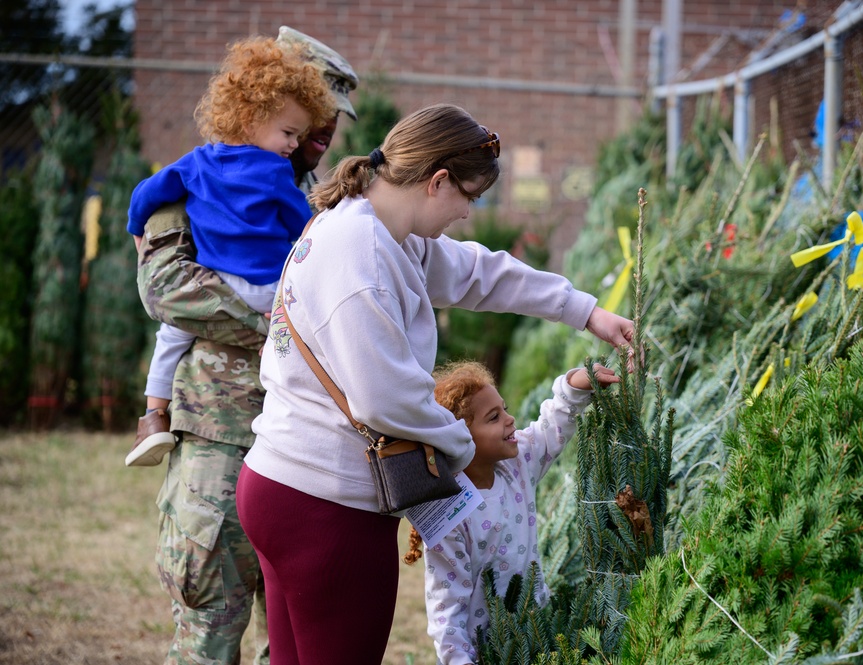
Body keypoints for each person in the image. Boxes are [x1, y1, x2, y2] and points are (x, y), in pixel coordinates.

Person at [234, 103, 635, 665]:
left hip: (283, 486)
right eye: (468, 196)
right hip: (323, 509)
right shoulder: (360, 259)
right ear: (436, 181)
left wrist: (585, 312)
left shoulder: (387, 233)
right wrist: (466, 453)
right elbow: (386, 398)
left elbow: (479, 273)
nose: (468, 213)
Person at [133, 28, 359, 665]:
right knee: (211, 615)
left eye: (332, 119)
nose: (324, 132)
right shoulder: (201, 180)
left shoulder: (328, 201)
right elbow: (169, 289)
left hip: (308, 442)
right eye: (314, 116)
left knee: (293, 631)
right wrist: (292, 325)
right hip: (221, 436)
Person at [125, 34, 336, 467]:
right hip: (270, 287)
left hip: (218, 282)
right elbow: (307, 227)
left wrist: (135, 232)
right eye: (289, 132)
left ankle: (152, 418)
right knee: (302, 330)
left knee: (170, 339)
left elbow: (145, 193)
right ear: (250, 118)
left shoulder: (196, 163)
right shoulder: (278, 171)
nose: (294, 144)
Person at [407, 360, 619, 665]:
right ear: (458, 438)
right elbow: (447, 612)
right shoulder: (450, 513)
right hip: (488, 653)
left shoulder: (516, 463)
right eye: (494, 417)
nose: (510, 420)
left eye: (504, 409)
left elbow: (551, 427)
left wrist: (577, 382)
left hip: (537, 632)